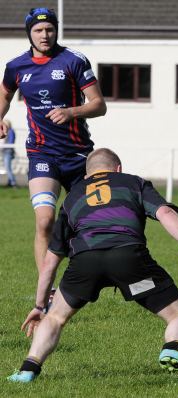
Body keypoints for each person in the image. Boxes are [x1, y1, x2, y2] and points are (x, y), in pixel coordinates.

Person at [7, 148, 178, 383]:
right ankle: (173, 349)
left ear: (87, 175)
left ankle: (28, 369)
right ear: (118, 168)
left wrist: (39, 305)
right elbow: (166, 213)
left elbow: (50, 260)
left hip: (84, 265)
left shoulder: (72, 197)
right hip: (129, 263)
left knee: (55, 317)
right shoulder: (133, 183)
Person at [0, 8, 107, 291]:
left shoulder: (73, 60)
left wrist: (72, 112)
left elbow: (99, 104)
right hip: (41, 154)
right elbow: (4, 94)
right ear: (29, 34)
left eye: (49, 29)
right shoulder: (16, 67)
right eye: (38, 30)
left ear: (56, 30)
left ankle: (88, 275)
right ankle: (46, 290)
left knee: (89, 222)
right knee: (45, 220)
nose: (45, 35)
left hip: (78, 156)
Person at [2, 120, 17, 187]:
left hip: (8, 151)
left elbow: (10, 142)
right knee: (7, 167)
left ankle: (13, 183)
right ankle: (9, 182)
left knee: (8, 168)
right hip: (6, 151)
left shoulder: (10, 131)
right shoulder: (9, 131)